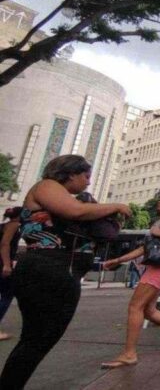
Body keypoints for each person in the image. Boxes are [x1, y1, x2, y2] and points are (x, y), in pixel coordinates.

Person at [0, 155, 132, 389]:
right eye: (85, 176)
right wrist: (116, 205)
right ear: (70, 173)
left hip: (60, 272)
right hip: (47, 268)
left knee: (39, 340)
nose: (88, 182)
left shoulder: (63, 197)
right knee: (36, 341)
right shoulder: (47, 186)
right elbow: (75, 211)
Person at [102, 192, 160, 369]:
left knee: (135, 307)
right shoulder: (158, 223)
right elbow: (145, 248)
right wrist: (119, 260)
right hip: (155, 267)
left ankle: (129, 354)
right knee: (149, 311)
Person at [0, 207, 22, 341]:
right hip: (3, 263)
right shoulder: (15, 226)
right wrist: (7, 264)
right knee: (7, 294)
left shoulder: (3, 225)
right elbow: (5, 244)